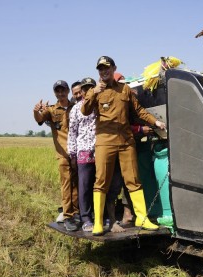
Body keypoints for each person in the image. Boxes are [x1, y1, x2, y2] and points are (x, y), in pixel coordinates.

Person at [81, 56, 166, 236]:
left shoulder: (125, 89)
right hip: (105, 141)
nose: (104, 71)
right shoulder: (94, 91)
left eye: (107, 68)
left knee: (133, 180)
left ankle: (142, 218)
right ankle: (97, 223)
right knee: (101, 181)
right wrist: (94, 92)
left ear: (114, 68)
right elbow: (85, 111)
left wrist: (155, 122)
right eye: (101, 69)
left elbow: (139, 111)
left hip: (126, 141)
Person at [33, 80, 79, 231]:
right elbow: (40, 119)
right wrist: (36, 111)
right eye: (58, 91)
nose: (61, 93)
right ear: (55, 93)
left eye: (63, 90)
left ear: (68, 91)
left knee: (77, 184)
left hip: (79, 153)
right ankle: (68, 216)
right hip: (63, 154)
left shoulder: (76, 107)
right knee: (66, 184)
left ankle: (77, 212)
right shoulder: (51, 110)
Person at [68, 77, 98, 232]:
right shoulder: (76, 109)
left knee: (100, 185)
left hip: (101, 150)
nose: (87, 92)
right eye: (85, 89)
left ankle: (100, 216)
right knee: (84, 185)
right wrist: (72, 154)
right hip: (84, 152)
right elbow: (72, 133)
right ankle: (86, 218)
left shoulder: (100, 105)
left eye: (90, 88)